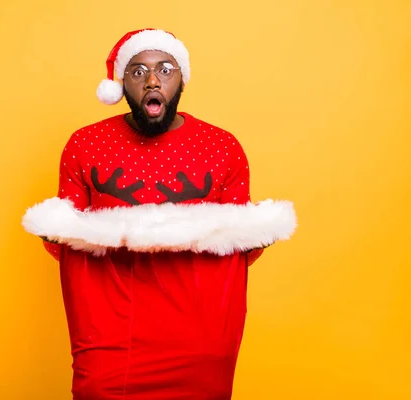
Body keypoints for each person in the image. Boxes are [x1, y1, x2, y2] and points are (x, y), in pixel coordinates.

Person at [22, 28, 297, 400]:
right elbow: (62, 244)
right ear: (121, 82)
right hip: (110, 335)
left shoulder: (222, 147)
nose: (152, 79)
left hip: (200, 339)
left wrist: (259, 231)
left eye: (165, 69)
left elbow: (241, 250)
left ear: (182, 78)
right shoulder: (84, 144)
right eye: (138, 71)